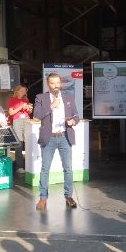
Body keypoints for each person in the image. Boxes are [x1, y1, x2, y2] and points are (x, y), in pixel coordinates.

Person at [33, 73, 79, 211]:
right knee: (45, 169)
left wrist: (73, 121)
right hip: (49, 137)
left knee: (68, 168)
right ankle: (43, 198)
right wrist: (51, 106)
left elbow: (76, 116)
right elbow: (36, 116)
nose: (56, 86)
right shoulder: (41, 98)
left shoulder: (68, 97)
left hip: (65, 136)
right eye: (52, 83)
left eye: (58, 83)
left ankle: (69, 196)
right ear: (48, 84)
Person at [7, 85, 33, 174]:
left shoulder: (26, 99)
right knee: (19, 143)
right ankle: (19, 166)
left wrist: (30, 109)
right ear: (17, 91)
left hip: (27, 120)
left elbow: (28, 112)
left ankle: (29, 165)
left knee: (28, 142)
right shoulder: (12, 100)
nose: (24, 93)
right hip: (17, 121)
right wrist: (20, 107)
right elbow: (11, 113)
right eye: (22, 91)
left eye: (25, 91)